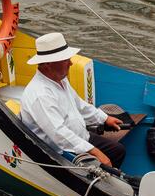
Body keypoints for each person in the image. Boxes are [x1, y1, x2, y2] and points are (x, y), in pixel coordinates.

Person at [20, 32, 126, 168]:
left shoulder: (60, 79)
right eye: (65, 60)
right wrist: (96, 152)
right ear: (47, 64)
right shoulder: (40, 95)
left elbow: (79, 104)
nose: (70, 63)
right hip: (63, 151)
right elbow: (58, 133)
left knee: (118, 151)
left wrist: (104, 118)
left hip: (80, 137)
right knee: (104, 162)